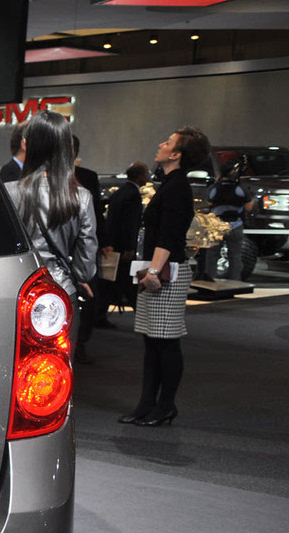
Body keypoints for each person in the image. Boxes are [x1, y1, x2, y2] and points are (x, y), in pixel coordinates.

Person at [119, 126, 211, 427]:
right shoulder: (170, 184)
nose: (161, 144)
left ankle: (165, 405)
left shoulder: (177, 187)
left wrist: (154, 272)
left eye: (168, 142)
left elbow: (169, 237)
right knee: (153, 342)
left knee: (165, 342)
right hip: (158, 270)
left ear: (176, 154)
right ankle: (147, 404)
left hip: (166, 272)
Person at [4, 110, 97, 341]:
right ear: (66, 148)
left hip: (18, 293)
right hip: (61, 292)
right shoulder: (81, 197)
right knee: (60, 361)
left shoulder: (7, 192)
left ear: (27, 144)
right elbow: (86, 268)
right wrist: (77, 276)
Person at [100, 161, 151, 314]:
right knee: (126, 279)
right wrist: (129, 247)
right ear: (140, 176)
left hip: (114, 243)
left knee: (112, 280)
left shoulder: (120, 192)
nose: (148, 177)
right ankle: (140, 310)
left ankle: (102, 313)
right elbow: (130, 224)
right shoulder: (133, 195)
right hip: (123, 245)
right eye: (146, 173)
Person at [72, 135, 106, 363]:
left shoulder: (88, 177)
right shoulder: (45, 177)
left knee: (88, 298)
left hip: (84, 246)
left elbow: (97, 213)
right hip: (63, 248)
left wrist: (103, 241)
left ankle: (81, 342)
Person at [195, 156, 254, 281]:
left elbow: (209, 203)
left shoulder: (215, 188)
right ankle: (235, 281)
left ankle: (209, 279)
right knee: (235, 255)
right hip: (235, 224)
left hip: (216, 226)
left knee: (212, 255)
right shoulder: (240, 188)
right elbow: (249, 207)